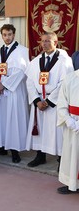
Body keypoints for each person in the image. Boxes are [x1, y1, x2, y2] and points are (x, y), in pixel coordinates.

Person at [26, 31, 74, 168]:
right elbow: (29, 82)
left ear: (55, 42)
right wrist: (36, 100)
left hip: (55, 103)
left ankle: (61, 160)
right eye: (43, 41)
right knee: (40, 131)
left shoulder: (65, 61)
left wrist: (49, 102)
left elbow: (65, 83)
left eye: (48, 41)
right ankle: (40, 156)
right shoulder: (36, 61)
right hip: (39, 102)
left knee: (57, 133)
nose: (45, 44)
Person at [0, 24, 29, 163]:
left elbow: (22, 71)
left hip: (13, 92)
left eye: (9, 34)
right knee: (0, 119)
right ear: (2, 35)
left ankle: (14, 150)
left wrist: (4, 85)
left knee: (12, 120)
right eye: (4, 35)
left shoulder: (22, 51)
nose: (7, 37)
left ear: (14, 34)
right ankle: (0, 146)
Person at [56, 70, 79, 194]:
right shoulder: (70, 78)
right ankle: (71, 183)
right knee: (70, 154)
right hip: (72, 122)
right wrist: (67, 119)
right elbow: (61, 102)